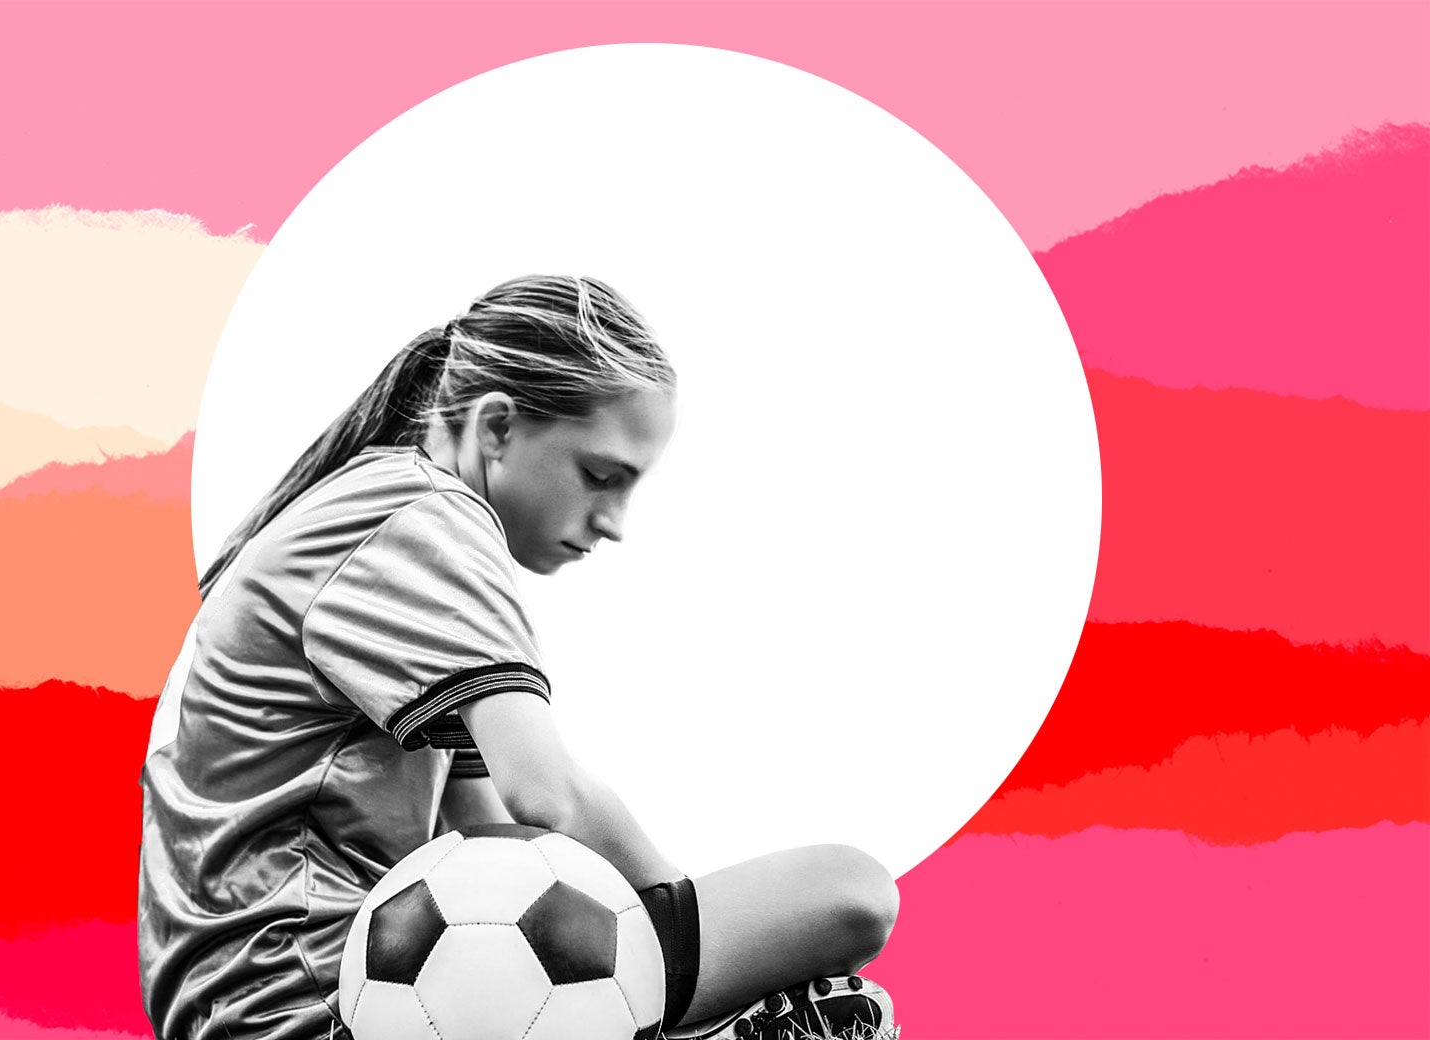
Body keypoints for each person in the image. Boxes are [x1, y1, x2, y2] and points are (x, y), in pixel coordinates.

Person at [139, 275, 899, 1039]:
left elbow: (493, 832)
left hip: (260, 1004)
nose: (613, 522)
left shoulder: (375, 512)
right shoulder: (420, 517)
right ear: (497, 426)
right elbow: (548, 796)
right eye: (599, 477)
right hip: (309, 999)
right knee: (850, 892)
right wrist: (693, 949)